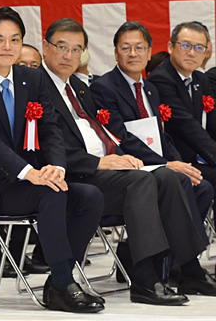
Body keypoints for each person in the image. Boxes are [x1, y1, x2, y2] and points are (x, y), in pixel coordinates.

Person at [41, 18, 208, 305]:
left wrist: (120, 156)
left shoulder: (79, 87)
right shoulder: (38, 86)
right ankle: (144, 279)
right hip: (77, 172)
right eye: (62, 47)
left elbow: (105, 133)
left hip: (107, 166)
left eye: (76, 49)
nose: (69, 55)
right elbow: (47, 142)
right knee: (143, 180)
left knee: (168, 178)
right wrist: (98, 162)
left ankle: (182, 268)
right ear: (46, 48)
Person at [0, 8, 105, 313]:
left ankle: (60, 281)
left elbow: (50, 128)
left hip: (32, 181)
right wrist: (28, 172)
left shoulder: (32, 78)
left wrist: (57, 167)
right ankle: (63, 285)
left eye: (15, 40)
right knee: (51, 193)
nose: (7, 47)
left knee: (90, 196)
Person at [90, 21, 215, 260]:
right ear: (115, 52)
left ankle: (168, 260)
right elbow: (120, 137)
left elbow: (161, 135)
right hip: (131, 166)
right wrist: (166, 164)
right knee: (179, 180)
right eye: (126, 48)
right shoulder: (104, 87)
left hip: (157, 163)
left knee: (201, 187)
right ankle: (187, 264)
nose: (133, 53)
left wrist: (177, 162)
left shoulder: (149, 88)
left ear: (149, 53)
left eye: (139, 48)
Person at [148, 21, 216, 191]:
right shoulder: (161, 79)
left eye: (199, 48)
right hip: (178, 160)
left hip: (202, 156)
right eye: (186, 45)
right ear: (170, 47)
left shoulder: (200, 79)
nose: (192, 53)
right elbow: (187, 126)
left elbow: (213, 119)